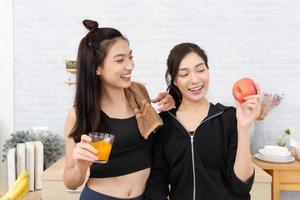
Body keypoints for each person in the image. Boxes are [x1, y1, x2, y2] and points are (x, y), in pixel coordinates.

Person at [63, 19, 174, 200]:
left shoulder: (139, 93)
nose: (130, 65)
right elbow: (70, 182)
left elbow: (158, 136)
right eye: (120, 60)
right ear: (97, 67)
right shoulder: (80, 114)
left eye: (130, 57)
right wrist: (79, 168)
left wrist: (172, 106)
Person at [144, 43, 261, 200]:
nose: (195, 79)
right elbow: (157, 184)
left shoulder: (229, 117)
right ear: (175, 81)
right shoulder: (165, 123)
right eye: (184, 74)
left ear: (208, 71)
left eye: (200, 70)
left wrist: (244, 127)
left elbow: (242, 185)